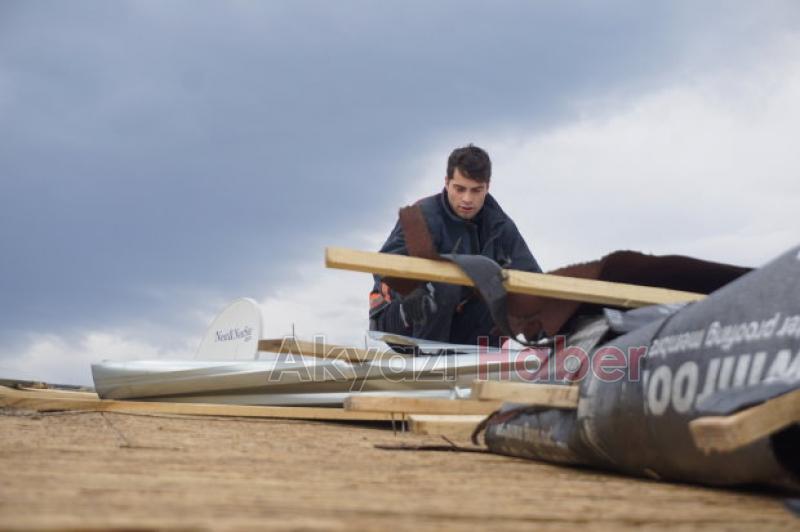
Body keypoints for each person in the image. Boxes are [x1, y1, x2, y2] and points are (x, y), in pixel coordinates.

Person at [368, 144, 542, 347]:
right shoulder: (421, 216)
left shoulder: (499, 225)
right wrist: (410, 291)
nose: (467, 199)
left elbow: (533, 279)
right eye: (460, 189)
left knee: (500, 293)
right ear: (447, 183)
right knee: (444, 284)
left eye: (476, 190)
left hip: (455, 323)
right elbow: (384, 266)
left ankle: (480, 365)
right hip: (401, 317)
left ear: (487, 186)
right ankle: (429, 363)